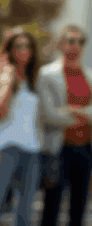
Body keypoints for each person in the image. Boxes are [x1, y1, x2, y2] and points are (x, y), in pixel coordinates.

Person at [38, 25, 92, 226]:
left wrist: (74, 111)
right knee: (51, 208)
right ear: (60, 45)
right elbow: (50, 115)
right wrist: (88, 114)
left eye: (79, 42)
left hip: (86, 150)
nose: (74, 46)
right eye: (70, 41)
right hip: (57, 150)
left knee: (79, 209)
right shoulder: (47, 75)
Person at [0, 27, 43, 226]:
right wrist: (8, 78)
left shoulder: (35, 79)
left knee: (25, 210)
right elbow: (2, 111)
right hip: (6, 147)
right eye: (18, 46)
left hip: (32, 149)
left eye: (27, 46)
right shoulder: (4, 75)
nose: (23, 50)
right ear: (10, 50)